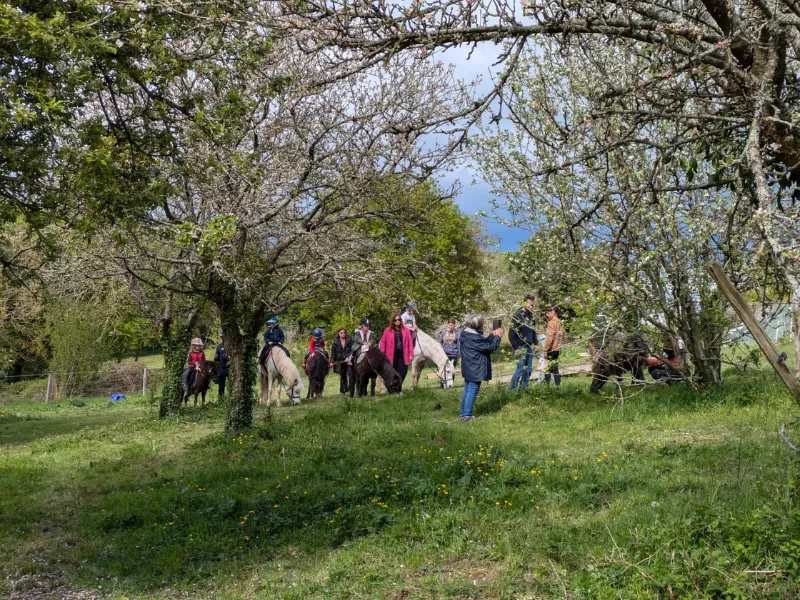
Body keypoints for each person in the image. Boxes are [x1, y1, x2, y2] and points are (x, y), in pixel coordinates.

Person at [458, 314, 503, 421]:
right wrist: (497, 337)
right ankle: (467, 415)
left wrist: (492, 335)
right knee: (473, 389)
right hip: (475, 368)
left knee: (468, 389)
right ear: (478, 325)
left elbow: (482, 343)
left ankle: (463, 413)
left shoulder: (467, 334)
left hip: (469, 367)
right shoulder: (473, 337)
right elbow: (490, 347)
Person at [508, 294, 539, 390]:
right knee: (520, 370)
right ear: (524, 303)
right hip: (521, 347)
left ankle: (523, 388)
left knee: (528, 370)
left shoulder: (531, 315)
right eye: (530, 304)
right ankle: (512, 389)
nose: (531, 306)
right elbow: (511, 333)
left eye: (532, 305)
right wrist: (515, 347)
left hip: (529, 346)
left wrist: (536, 343)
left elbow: (533, 330)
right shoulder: (517, 315)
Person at [379, 313, 415, 391]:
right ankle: (395, 389)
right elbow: (383, 342)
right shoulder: (388, 330)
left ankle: (397, 387)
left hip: (403, 354)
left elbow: (410, 343)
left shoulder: (406, 330)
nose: (397, 321)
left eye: (399, 319)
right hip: (391, 355)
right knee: (393, 373)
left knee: (403, 372)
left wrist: (411, 354)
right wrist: (382, 354)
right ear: (393, 321)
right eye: (395, 320)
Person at [543, 306, 566, 386]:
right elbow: (563, 334)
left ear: (553, 312)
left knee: (547, 369)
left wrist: (545, 350)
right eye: (546, 313)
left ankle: (547, 387)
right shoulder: (560, 322)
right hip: (557, 349)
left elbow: (549, 337)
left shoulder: (552, 322)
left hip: (551, 349)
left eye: (548, 313)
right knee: (555, 368)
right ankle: (558, 386)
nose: (546, 315)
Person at [330, 327, 352, 394]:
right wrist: (332, 361)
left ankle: (351, 389)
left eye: (344, 332)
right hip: (340, 361)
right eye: (341, 332)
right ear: (338, 333)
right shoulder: (335, 342)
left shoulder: (349, 340)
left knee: (350, 374)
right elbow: (333, 352)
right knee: (342, 375)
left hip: (348, 360)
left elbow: (352, 350)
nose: (343, 334)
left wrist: (348, 357)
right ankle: (343, 391)